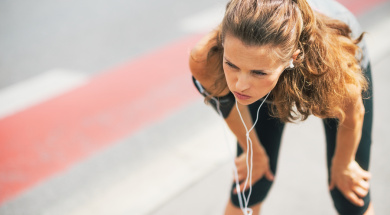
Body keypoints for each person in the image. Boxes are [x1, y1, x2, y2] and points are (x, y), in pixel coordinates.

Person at [189, 0, 374, 214]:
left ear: (292, 59)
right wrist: (253, 152)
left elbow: (353, 114)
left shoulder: (333, 66)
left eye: (258, 73)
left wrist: (344, 163)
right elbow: (229, 106)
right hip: (269, 61)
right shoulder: (205, 58)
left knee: (349, 195)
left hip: (329, 58)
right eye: (231, 65)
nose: (239, 85)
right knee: (253, 182)